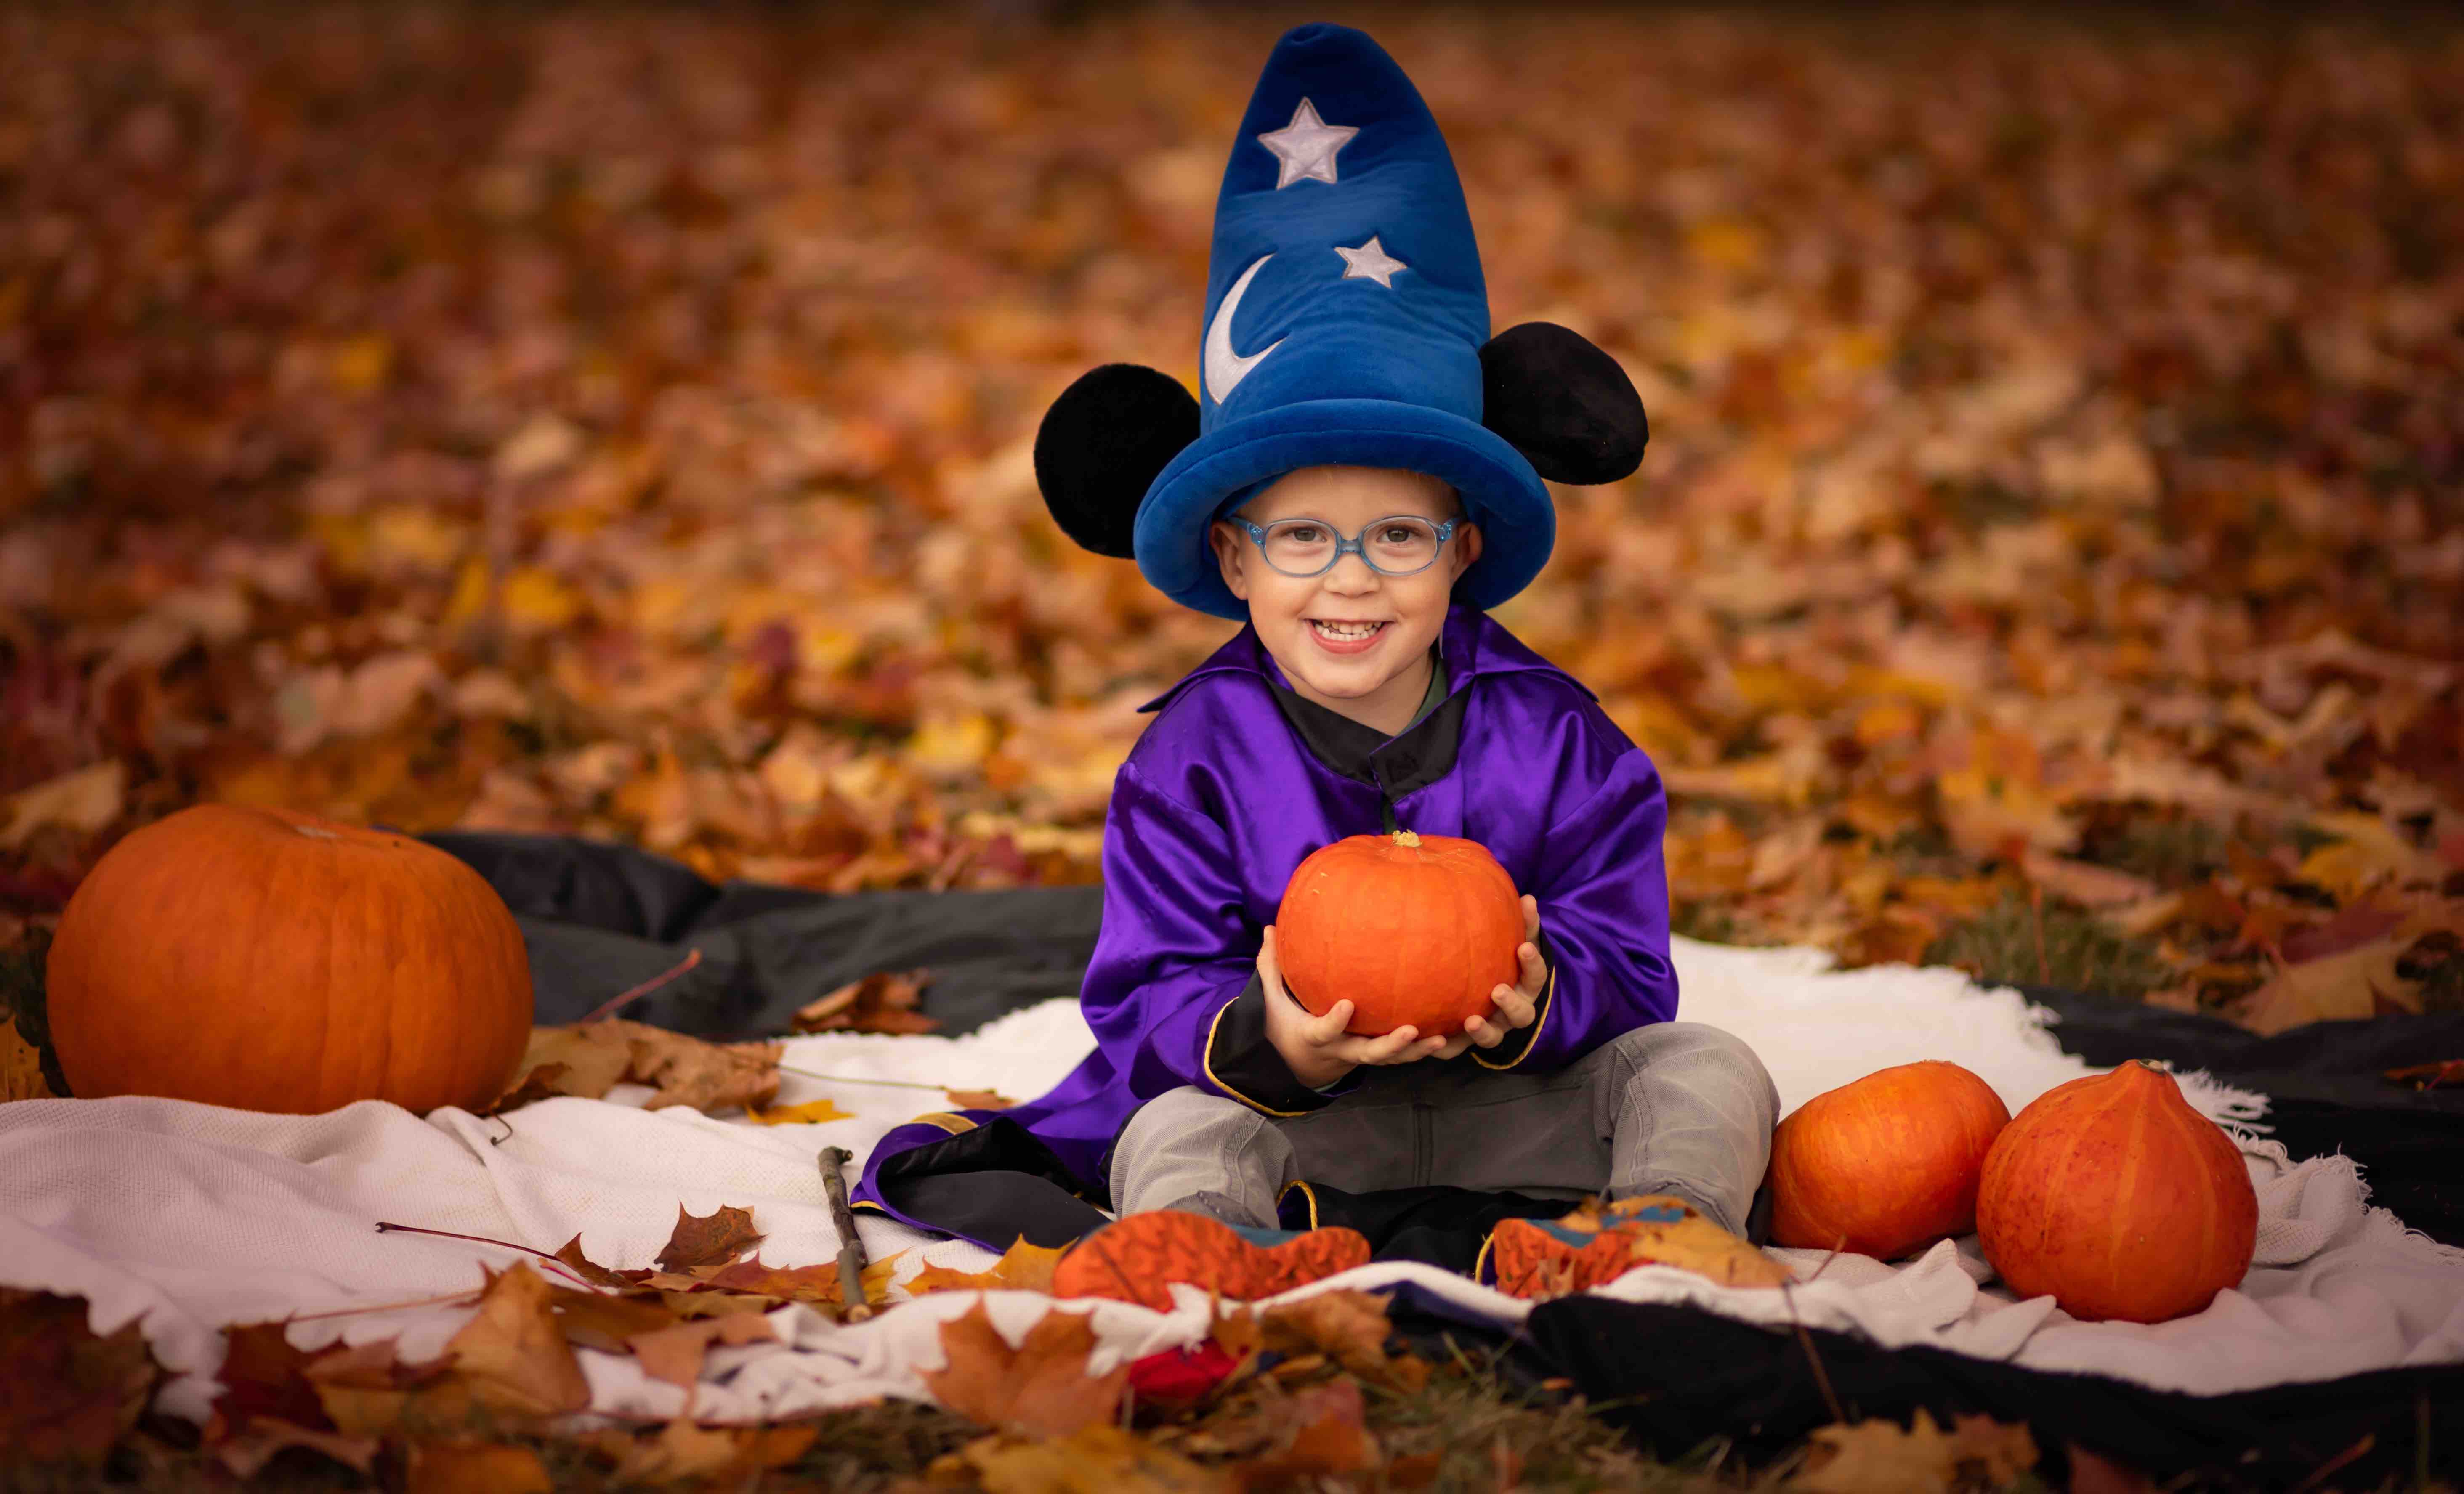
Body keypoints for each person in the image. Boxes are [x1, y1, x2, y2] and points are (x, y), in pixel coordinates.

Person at [853, 21, 1781, 1306]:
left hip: (1516, 1116)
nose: (1351, 576)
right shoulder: (1191, 759)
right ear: (1234, 560)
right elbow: (1149, 990)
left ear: (1463, 551)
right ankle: (1215, 1250)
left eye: (1398, 534)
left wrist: (1539, 997)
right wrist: (1273, 1040)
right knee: (1173, 1128)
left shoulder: (1562, 739)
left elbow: (1632, 960)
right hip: (1300, 1121)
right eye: (1303, 537)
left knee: (1707, 1068)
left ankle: (1657, 1229)